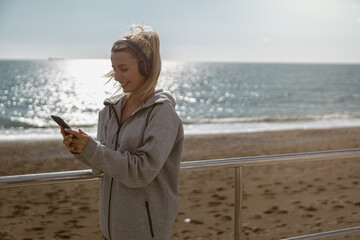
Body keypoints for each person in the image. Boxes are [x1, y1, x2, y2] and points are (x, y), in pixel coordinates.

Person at [61, 25, 184, 240]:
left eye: (123, 69)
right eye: (114, 68)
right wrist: (81, 150)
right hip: (110, 228)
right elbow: (103, 167)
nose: (117, 76)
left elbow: (141, 172)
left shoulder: (163, 114)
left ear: (146, 67)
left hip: (145, 231)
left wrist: (93, 149)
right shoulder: (108, 111)